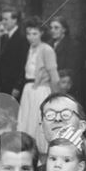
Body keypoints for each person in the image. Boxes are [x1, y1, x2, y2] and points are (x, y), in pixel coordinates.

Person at [17, 18, 59, 155]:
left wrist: (56, 98)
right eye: (29, 34)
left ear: (41, 33)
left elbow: (55, 76)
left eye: (35, 33)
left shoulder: (46, 49)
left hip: (41, 90)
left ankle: (41, 157)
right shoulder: (30, 49)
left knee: (37, 124)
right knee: (26, 123)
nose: (31, 37)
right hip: (28, 90)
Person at [0, 8, 28, 99]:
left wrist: (17, 86)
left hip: (14, 86)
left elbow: (23, 63)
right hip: (4, 84)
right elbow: (1, 62)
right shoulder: (4, 38)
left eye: (6, 19)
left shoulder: (22, 38)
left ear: (14, 20)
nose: (3, 22)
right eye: (2, 19)